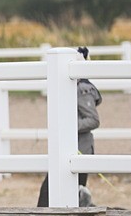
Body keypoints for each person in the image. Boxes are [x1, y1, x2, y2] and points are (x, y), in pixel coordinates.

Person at [38, 46, 101, 207]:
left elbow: (93, 119)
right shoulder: (72, 87)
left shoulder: (82, 89)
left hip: (81, 148)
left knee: (61, 192)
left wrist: (67, 126)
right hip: (69, 148)